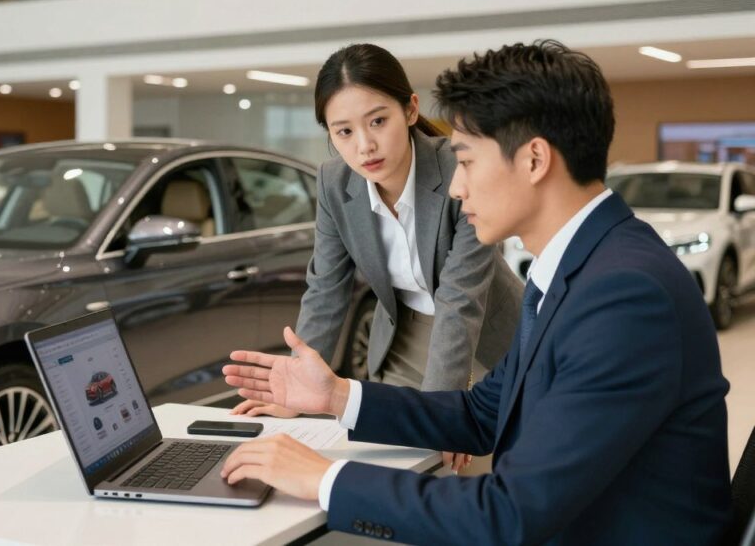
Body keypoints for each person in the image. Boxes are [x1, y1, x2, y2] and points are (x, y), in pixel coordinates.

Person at [220, 40, 731, 545]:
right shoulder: (582, 265)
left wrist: (323, 479)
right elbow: (480, 413)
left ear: (533, 160)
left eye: (465, 161)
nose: (457, 188)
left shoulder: (624, 297)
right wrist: (334, 395)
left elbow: (509, 515)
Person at [232, 43, 522, 472]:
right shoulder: (334, 182)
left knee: (471, 474)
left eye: (378, 121)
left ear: (410, 110)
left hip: (483, 337)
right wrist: (297, 384)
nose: (365, 145)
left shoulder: (457, 168)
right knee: (395, 469)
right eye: (344, 131)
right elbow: (326, 287)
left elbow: (462, 302)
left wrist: (445, 416)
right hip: (401, 338)